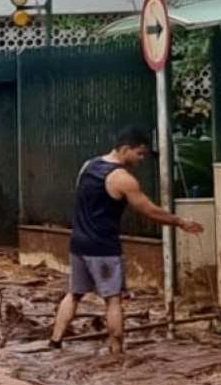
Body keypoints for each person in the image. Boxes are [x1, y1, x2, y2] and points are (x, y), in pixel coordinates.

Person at [48, 128, 202, 356]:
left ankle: (55, 341)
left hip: (78, 243)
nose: (141, 160)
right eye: (139, 154)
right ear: (125, 149)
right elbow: (149, 211)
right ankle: (117, 352)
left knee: (74, 294)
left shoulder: (87, 165)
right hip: (104, 248)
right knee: (112, 300)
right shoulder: (122, 178)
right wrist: (180, 222)